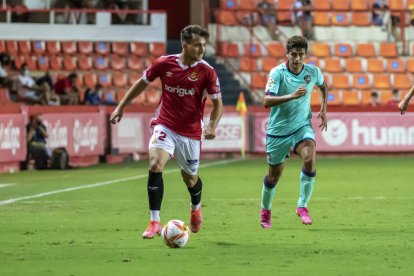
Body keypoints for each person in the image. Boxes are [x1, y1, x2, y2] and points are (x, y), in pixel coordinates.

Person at [110, 25, 223, 238]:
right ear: (185, 45)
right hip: (165, 125)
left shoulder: (207, 71)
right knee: (155, 164)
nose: (201, 49)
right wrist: (121, 106)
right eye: (197, 45)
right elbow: (141, 83)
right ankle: (154, 221)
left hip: (190, 132)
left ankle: (195, 207)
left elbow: (218, 105)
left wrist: (211, 125)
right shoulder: (164, 63)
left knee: (190, 179)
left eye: (204, 45)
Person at [260, 35, 328, 228]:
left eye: (301, 55)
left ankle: (302, 206)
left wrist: (324, 108)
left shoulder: (313, 71)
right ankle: (265, 210)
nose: (298, 59)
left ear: (305, 54)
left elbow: (323, 86)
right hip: (278, 131)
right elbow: (266, 101)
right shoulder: (277, 73)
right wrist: (291, 95)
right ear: (287, 53)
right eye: (294, 55)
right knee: (273, 177)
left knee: (310, 157)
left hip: (301, 127)